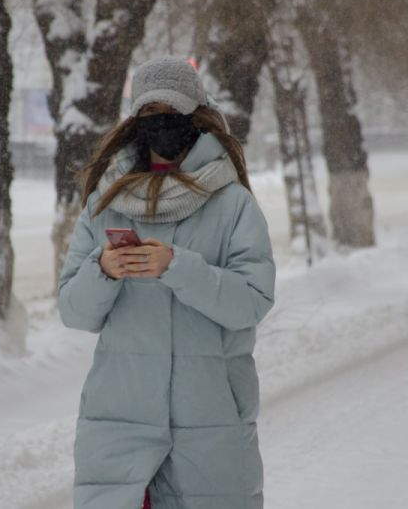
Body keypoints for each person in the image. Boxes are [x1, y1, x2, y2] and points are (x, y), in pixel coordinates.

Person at [57, 56, 276, 509]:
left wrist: (178, 266)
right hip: (120, 420)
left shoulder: (232, 204)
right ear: (136, 124)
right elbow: (73, 312)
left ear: (195, 117)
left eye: (172, 116)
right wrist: (104, 270)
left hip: (209, 420)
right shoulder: (107, 203)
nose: (161, 127)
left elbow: (251, 302)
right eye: (150, 117)